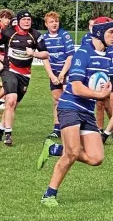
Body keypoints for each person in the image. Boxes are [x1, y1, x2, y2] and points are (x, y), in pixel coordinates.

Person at [38, 17, 113, 207]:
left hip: (87, 111)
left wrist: (106, 90)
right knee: (71, 154)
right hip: (70, 106)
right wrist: (99, 94)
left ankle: (54, 148)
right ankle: (49, 195)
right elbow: (77, 88)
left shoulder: (107, 56)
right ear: (99, 33)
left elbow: (100, 83)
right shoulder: (83, 54)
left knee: (97, 159)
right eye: (111, 32)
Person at [0, 10, 49, 146]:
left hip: (25, 73)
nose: (27, 22)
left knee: (13, 105)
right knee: (11, 100)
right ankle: (8, 135)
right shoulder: (9, 32)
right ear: (19, 21)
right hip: (9, 69)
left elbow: (45, 54)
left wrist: (34, 53)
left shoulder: (36, 35)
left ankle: (0, 128)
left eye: (29, 20)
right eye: (24, 20)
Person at [42, 11, 75, 139]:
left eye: (56, 21)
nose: (54, 24)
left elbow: (70, 56)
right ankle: (57, 128)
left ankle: (70, 126)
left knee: (68, 99)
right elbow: (45, 59)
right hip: (54, 72)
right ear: (46, 24)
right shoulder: (44, 39)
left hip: (67, 71)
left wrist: (62, 74)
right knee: (56, 100)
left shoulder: (64, 35)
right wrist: (52, 75)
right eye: (51, 22)